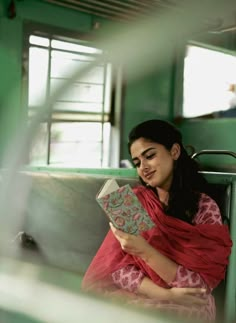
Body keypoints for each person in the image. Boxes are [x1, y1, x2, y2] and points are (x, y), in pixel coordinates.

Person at [82, 119, 232, 322]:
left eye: (150, 156)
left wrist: (144, 251)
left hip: (186, 305)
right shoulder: (134, 203)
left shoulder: (203, 207)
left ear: (175, 151)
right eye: (137, 162)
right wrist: (164, 294)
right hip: (143, 297)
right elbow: (118, 269)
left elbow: (199, 287)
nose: (143, 167)